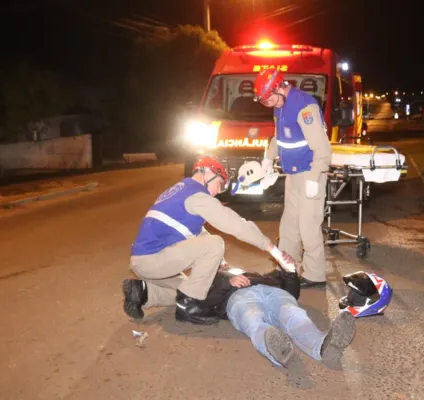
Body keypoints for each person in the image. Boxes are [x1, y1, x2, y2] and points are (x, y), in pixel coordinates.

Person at [122, 156, 297, 325]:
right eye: (219, 184)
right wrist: (274, 251)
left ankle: (142, 293)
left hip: (146, 262)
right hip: (153, 261)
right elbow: (237, 225)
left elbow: (199, 233)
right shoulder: (198, 196)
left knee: (199, 288)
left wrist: (222, 264)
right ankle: (189, 307)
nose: (218, 192)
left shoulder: (182, 189)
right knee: (215, 244)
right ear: (206, 172)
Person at [253, 67, 333, 289]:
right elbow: (279, 137)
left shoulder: (304, 107)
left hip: (310, 173)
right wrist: (268, 160)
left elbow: (323, 148)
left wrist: (314, 179)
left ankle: (315, 275)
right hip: (293, 174)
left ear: (278, 87)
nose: (268, 104)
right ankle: (287, 269)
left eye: (269, 100)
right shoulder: (279, 105)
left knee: (308, 226)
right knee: (289, 226)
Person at [198, 263, 357, 369]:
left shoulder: (255, 274)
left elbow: (292, 293)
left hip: (271, 291)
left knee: (293, 313)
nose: (222, 262)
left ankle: (322, 347)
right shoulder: (212, 280)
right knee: (252, 318)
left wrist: (290, 273)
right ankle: (279, 350)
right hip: (238, 298)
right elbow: (203, 305)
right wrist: (227, 283)